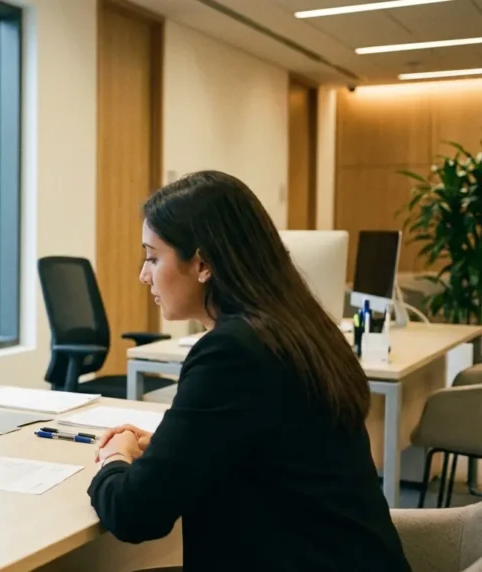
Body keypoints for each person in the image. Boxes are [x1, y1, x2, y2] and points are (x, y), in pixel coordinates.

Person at [87, 171, 410, 571]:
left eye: (153, 257)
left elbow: (134, 513)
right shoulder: (299, 327)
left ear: (202, 263)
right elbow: (268, 448)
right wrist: (173, 448)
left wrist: (114, 458)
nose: (143, 274)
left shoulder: (231, 352)